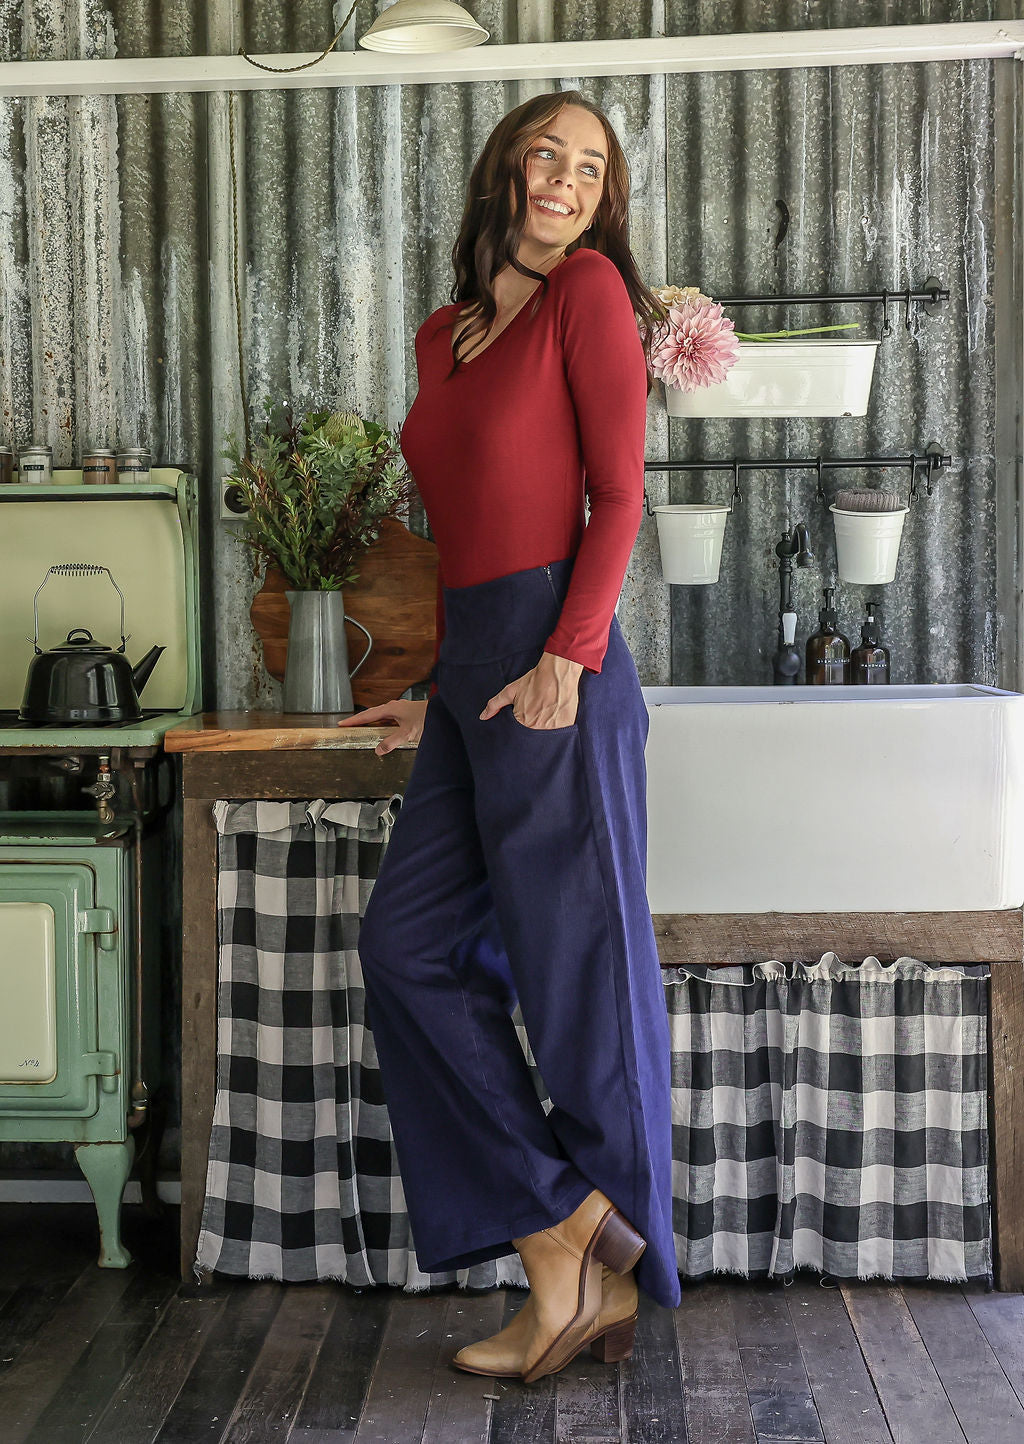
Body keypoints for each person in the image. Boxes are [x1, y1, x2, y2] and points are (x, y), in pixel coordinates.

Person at [338, 88, 681, 1384]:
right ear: (505, 168)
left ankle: (591, 1276)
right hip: (478, 672)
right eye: (547, 151)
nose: (566, 176)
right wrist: (433, 682)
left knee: (578, 983)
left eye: (591, 165)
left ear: (604, 198)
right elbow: (470, 521)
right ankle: (563, 1228)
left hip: (555, 667)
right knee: (406, 949)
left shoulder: (591, 293)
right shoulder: (447, 335)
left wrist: (567, 657)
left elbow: (618, 492)